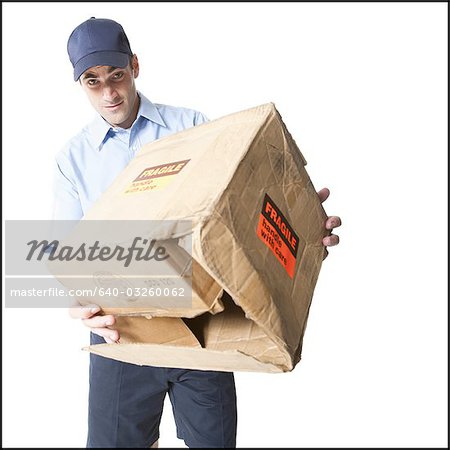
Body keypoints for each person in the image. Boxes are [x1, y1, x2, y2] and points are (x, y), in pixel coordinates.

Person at [53, 17, 342, 448]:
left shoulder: (192, 127)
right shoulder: (72, 159)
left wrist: (299, 221)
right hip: (123, 334)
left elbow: (237, 211)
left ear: (134, 65)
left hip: (204, 323)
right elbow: (66, 258)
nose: (110, 92)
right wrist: (75, 301)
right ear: (80, 84)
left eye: (117, 75)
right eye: (93, 81)